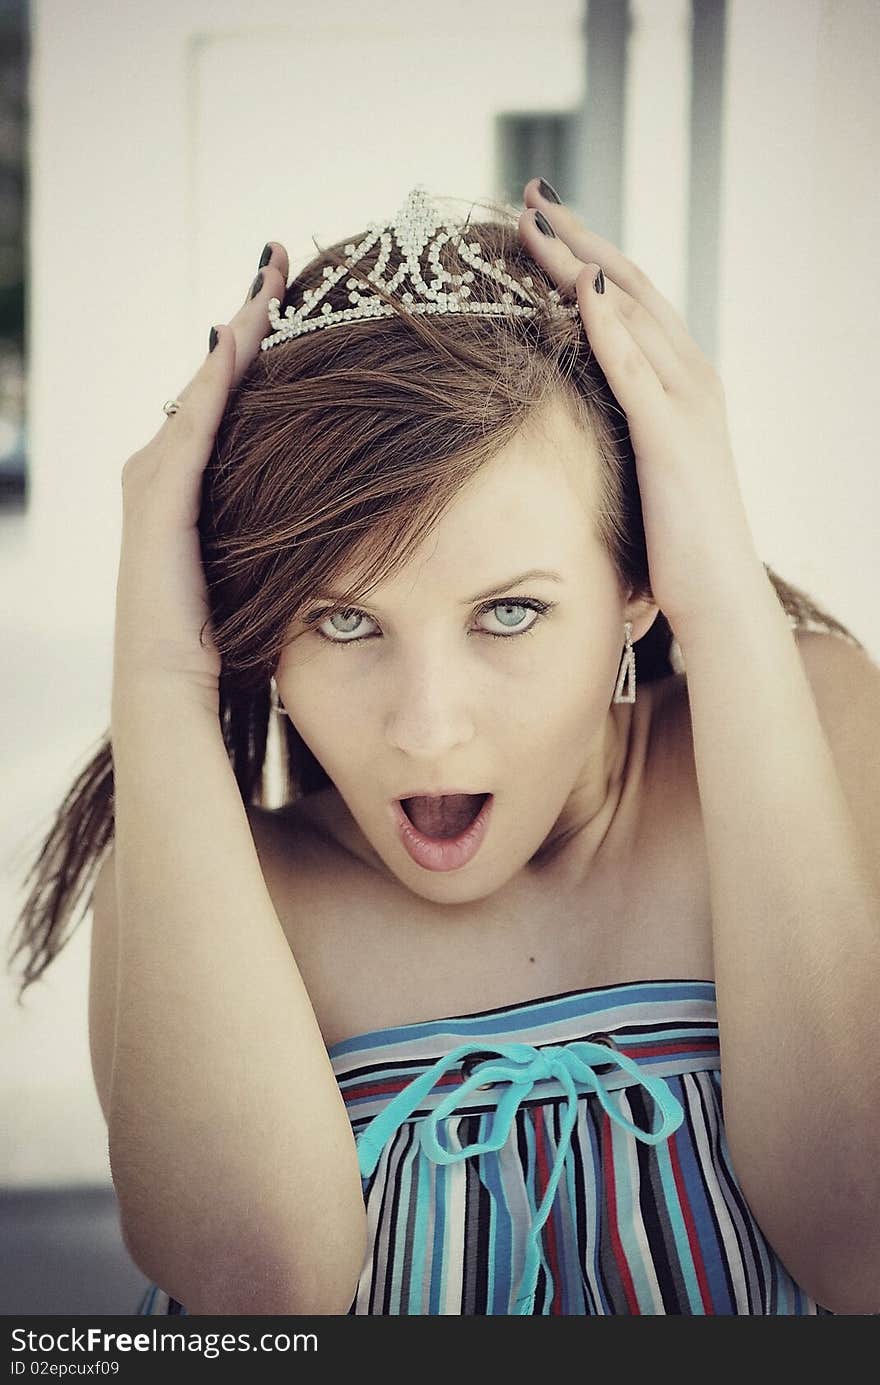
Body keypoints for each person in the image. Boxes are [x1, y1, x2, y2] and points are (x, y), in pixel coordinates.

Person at [10, 180, 879, 1316]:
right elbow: (261, 1297)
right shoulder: (219, 879)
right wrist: (166, 672)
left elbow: (859, 1242)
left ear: (635, 587)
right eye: (343, 620)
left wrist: (717, 596)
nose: (426, 728)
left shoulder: (801, 720)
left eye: (509, 612)